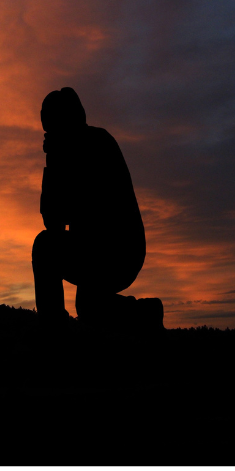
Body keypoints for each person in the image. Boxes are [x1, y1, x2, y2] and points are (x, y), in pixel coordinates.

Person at [31, 87, 162, 330]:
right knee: (90, 306)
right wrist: (53, 167)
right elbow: (53, 222)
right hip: (93, 249)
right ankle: (146, 313)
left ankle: (53, 333)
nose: (49, 135)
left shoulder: (98, 143)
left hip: (119, 250)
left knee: (45, 247)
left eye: (53, 127)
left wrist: (58, 165)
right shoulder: (63, 156)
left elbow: (87, 210)